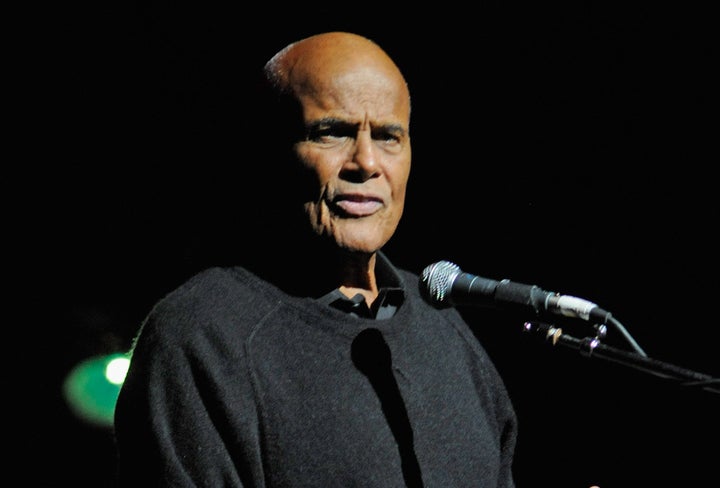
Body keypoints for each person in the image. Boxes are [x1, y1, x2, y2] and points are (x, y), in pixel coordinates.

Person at [113, 31, 519, 487]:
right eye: (332, 133)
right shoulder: (202, 337)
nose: (366, 163)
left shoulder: (446, 330)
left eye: (389, 137)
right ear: (268, 151)